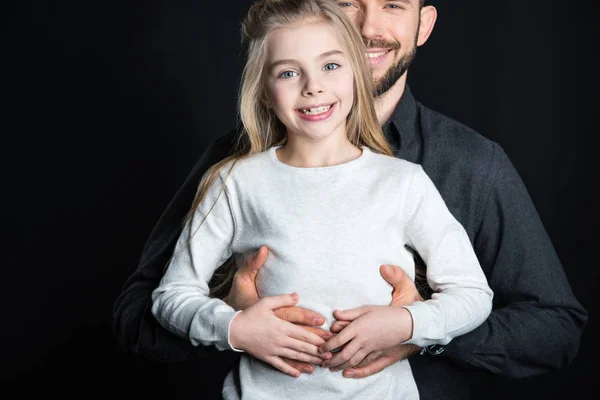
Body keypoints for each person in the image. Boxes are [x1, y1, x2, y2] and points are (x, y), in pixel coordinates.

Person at [113, 0, 587, 398]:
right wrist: (233, 320)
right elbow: (145, 310)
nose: (368, 26)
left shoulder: (450, 169)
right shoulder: (233, 171)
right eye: (348, 3)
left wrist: (415, 329)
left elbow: (550, 329)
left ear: (423, 24)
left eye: (392, 5)